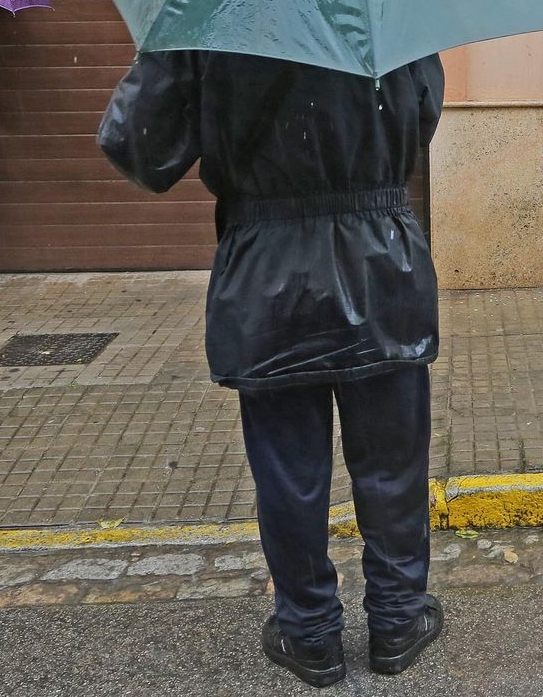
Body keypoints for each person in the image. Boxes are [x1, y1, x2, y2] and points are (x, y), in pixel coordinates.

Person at [99, 50, 445, 688]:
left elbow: (138, 150)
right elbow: (421, 118)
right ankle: (397, 618)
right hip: (380, 266)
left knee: (289, 471)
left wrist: (167, 50)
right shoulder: (385, 1)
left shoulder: (214, 13)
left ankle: (309, 631)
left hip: (268, 272)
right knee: (392, 460)